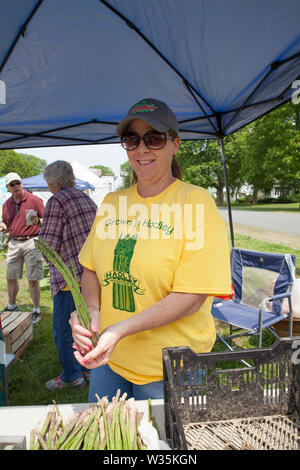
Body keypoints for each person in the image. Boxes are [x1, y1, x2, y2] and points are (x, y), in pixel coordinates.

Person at [70, 98, 232, 402]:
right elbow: (90, 269)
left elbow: (191, 298)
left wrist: (118, 330)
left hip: (171, 369)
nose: (141, 149)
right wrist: (91, 312)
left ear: (175, 144)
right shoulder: (112, 203)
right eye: (131, 140)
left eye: (153, 138)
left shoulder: (196, 204)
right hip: (110, 360)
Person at [39, 161, 98, 391]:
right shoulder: (84, 197)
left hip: (69, 280)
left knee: (65, 330)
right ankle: (88, 368)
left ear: (53, 183)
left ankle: (71, 376)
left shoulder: (56, 200)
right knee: (86, 326)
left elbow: (47, 246)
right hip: (92, 276)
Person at [0, 172, 44, 323]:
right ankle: (12, 306)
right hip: (14, 242)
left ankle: (36, 310)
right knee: (10, 275)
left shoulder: (34, 200)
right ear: (7, 188)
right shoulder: (6, 205)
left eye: (18, 183)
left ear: (22, 184)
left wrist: (37, 221)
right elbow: (7, 224)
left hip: (32, 240)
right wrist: (2, 226)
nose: (16, 186)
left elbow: (47, 220)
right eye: (12, 184)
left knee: (33, 277)